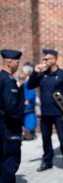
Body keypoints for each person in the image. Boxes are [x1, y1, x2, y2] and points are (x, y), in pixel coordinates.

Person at [27, 49, 63, 174]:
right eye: (43, 59)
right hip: (45, 113)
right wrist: (34, 72)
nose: (44, 61)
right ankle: (47, 162)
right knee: (46, 139)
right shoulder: (42, 75)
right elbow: (30, 85)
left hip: (60, 114)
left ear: (54, 59)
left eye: (46, 59)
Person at [0, 49, 24, 183]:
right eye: (17, 62)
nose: (18, 65)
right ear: (9, 62)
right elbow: (11, 108)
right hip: (9, 128)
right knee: (10, 162)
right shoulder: (8, 81)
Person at [20, 62, 38, 140]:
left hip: (28, 105)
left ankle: (29, 134)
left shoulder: (29, 82)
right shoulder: (25, 82)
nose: (22, 73)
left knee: (29, 120)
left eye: (23, 71)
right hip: (25, 105)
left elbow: (31, 93)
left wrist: (27, 100)